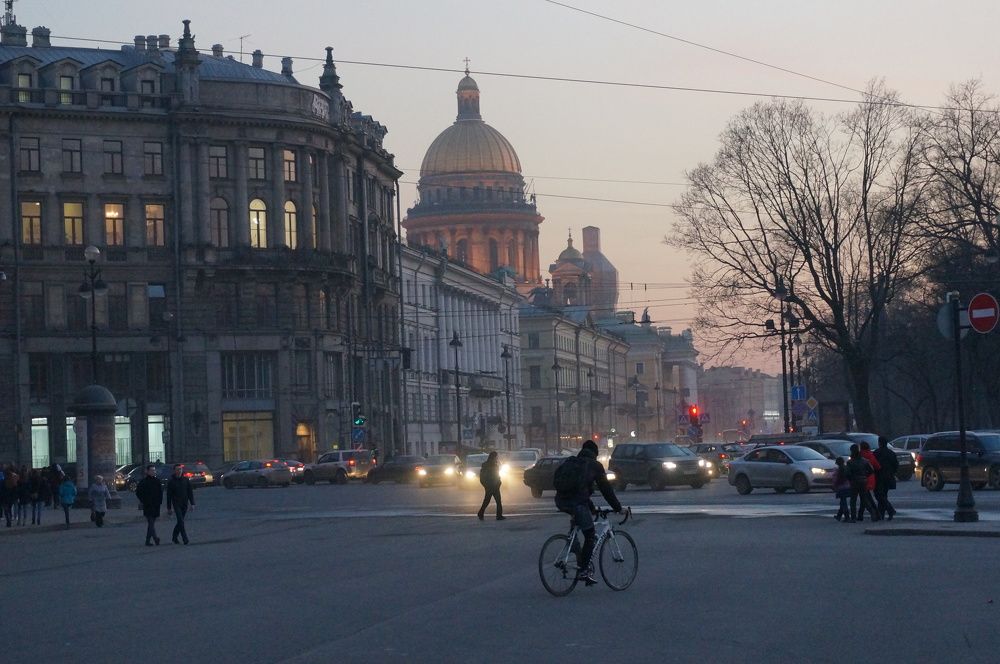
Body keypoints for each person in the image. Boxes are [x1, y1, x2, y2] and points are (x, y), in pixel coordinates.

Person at [553, 440, 623, 586]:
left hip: (561, 501)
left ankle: (575, 549)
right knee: (590, 535)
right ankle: (583, 570)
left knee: (578, 525)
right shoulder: (594, 466)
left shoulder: (572, 462)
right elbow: (606, 490)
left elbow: (582, 491)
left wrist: (591, 508)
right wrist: (617, 507)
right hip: (577, 503)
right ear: (595, 454)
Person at [846, 444, 877, 523]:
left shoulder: (850, 462)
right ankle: (872, 513)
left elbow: (848, 474)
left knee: (853, 500)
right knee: (864, 499)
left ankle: (853, 518)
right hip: (863, 481)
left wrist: (850, 479)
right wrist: (865, 476)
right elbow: (871, 470)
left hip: (854, 482)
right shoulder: (865, 461)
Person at [165, 464, 195, 545]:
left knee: (180, 522)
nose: (179, 471)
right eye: (178, 469)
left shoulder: (185, 480)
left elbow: (190, 492)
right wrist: (169, 508)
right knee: (181, 521)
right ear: (174, 471)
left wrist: (192, 503)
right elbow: (169, 496)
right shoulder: (171, 481)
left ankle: (174, 537)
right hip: (176, 503)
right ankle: (185, 538)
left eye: (180, 469)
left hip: (184, 503)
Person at [135, 465, 163, 546]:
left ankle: (149, 540)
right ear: (147, 471)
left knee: (151, 523)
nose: (153, 472)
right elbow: (138, 492)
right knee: (151, 522)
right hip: (148, 505)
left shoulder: (157, 481)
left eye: (154, 470)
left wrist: (159, 502)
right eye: (151, 470)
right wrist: (143, 500)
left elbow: (160, 493)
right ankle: (155, 538)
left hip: (156, 504)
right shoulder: (143, 482)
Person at [873, 437, 899, 520]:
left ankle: (890, 510)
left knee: (879, 495)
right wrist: (892, 473)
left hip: (879, 476)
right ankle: (882, 514)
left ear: (879, 443)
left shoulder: (877, 453)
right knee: (884, 495)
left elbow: (873, 465)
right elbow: (896, 465)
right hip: (889, 476)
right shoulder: (891, 453)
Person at [858, 442, 882, 522]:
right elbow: (878, 467)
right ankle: (860, 515)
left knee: (866, 498)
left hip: (861, 478)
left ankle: (875, 513)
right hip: (871, 478)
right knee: (865, 496)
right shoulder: (871, 455)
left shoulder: (859, 456)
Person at [477, 452, 504, 521]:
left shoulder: (489, 465)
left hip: (493, 485)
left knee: (489, 500)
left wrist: (498, 482)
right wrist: (488, 484)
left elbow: (496, 475)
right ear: (494, 457)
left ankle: (481, 513)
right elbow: (484, 477)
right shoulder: (489, 465)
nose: (497, 458)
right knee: (494, 501)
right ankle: (498, 516)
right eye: (496, 457)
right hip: (491, 485)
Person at [832, 457, 851, 522]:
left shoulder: (838, 470)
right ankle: (839, 516)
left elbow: (836, 480)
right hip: (847, 486)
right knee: (842, 502)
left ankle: (847, 517)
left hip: (841, 488)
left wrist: (835, 486)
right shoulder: (847, 468)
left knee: (843, 502)